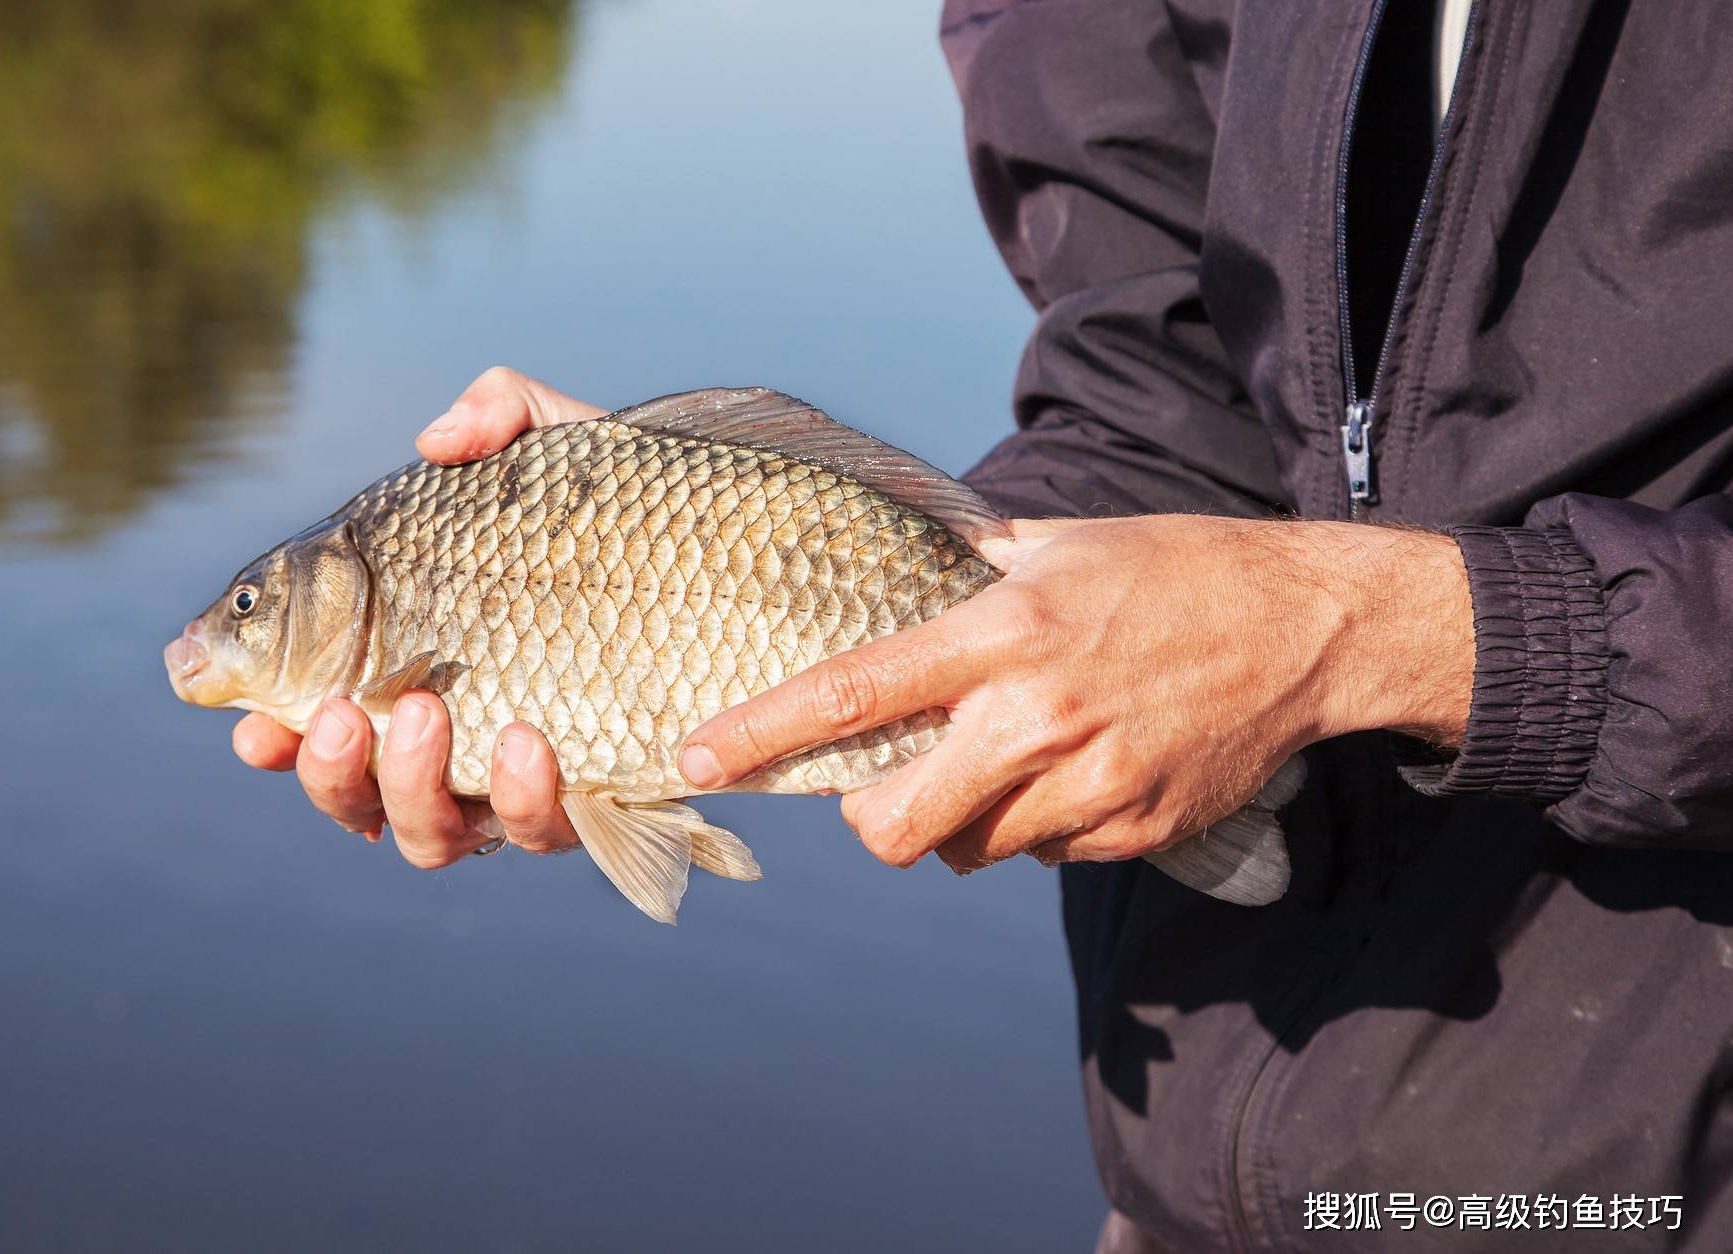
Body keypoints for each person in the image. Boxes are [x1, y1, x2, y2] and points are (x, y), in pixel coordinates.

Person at [236, 1, 1733, 1248]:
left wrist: (1399, 633)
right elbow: (1155, 380)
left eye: (247, 613)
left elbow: (1340, 596)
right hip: (1194, 1174)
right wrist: (743, 567)